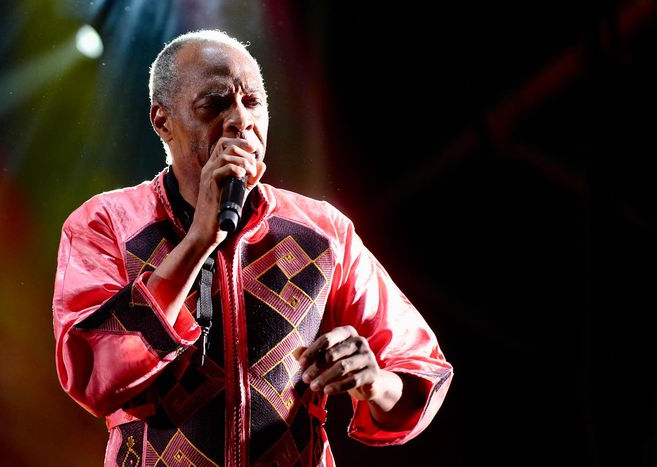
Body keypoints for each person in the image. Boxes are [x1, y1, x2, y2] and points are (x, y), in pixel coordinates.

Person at [52, 29, 453, 467]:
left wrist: (373, 381)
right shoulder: (106, 223)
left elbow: (420, 372)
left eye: (253, 101)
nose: (240, 119)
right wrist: (199, 239)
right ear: (162, 121)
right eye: (215, 104)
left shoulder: (325, 231)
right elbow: (91, 375)